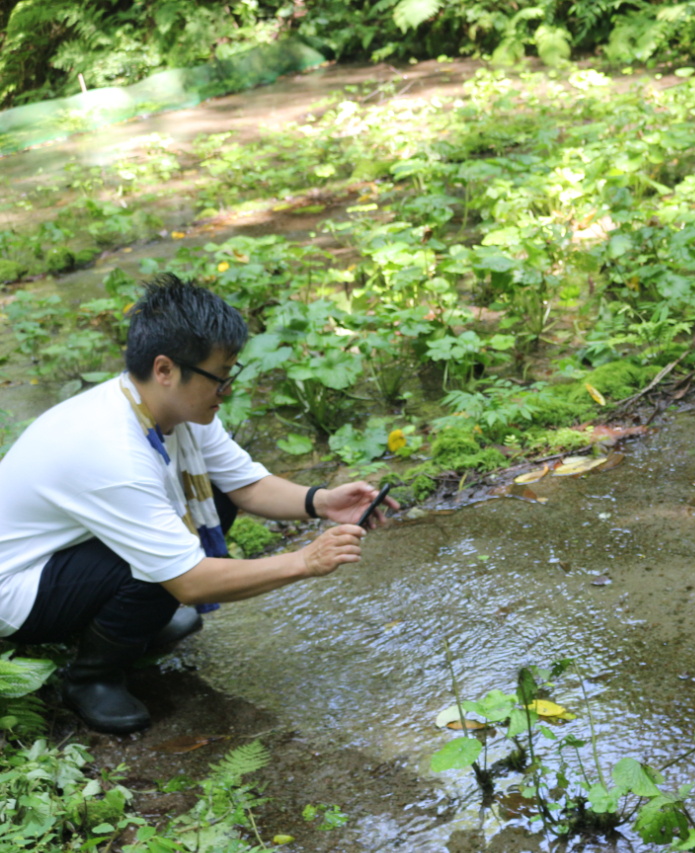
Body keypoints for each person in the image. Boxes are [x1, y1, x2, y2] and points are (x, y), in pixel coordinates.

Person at [0, 274, 398, 734]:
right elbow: (188, 581)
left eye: (230, 375)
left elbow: (244, 484)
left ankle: (130, 630)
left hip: (63, 555)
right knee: (155, 570)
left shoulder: (169, 406)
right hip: (16, 586)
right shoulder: (111, 449)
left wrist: (323, 501)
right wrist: (306, 561)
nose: (226, 390)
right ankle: (91, 676)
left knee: (212, 501)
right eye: (220, 377)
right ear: (166, 369)